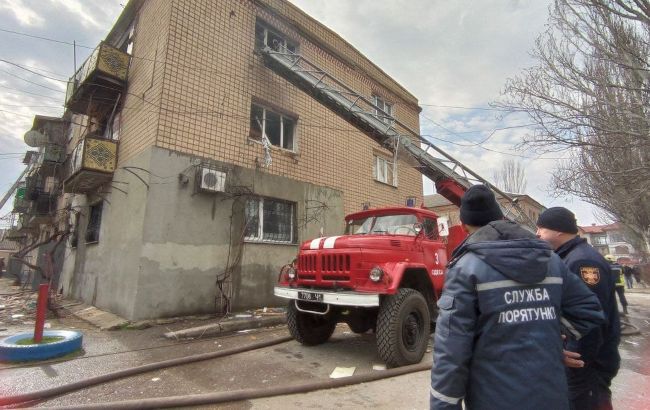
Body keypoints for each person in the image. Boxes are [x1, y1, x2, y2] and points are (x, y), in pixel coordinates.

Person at [430, 186, 604, 410]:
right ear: (500, 217)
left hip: (494, 397)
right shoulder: (550, 260)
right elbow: (589, 311)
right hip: (552, 396)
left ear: (463, 226)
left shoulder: (466, 268)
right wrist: (547, 341)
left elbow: (452, 352)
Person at [536, 207, 620, 410]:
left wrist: (576, 359)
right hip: (583, 364)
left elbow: (591, 320)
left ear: (558, 231)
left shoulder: (582, 262)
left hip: (586, 366)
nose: (537, 233)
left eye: (541, 229)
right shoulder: (569, 257)